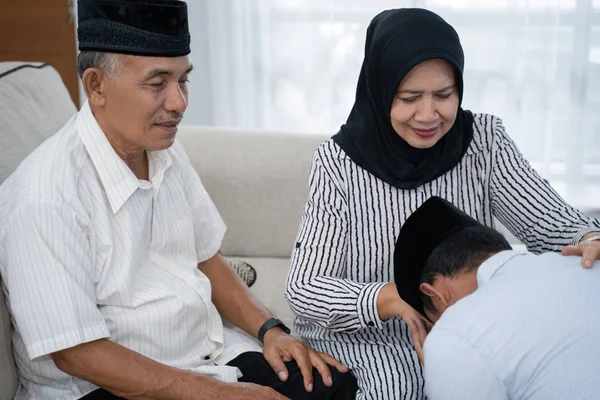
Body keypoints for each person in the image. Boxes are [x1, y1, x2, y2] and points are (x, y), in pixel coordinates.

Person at [0, 1, 358, 399]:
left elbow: (206, 256)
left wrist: (269, 329)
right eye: (158, 84)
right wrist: (220, 395)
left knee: (330, 383)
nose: (179, 103)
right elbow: (77, 353)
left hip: (202, 357)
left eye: (183, 80)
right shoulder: (43, 198)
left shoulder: (162, 148)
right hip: (103, 386)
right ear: (96, 85)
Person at [285, 7, 600, 400]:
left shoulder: (485, 139)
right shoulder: (337, 163)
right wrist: (390, 298)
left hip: (474, 326)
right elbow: (304, 287)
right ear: (381, 92)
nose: (428, 115)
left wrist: (589, 237)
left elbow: (550, 223)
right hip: (373, 337)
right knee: (406, 387)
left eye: (443, 95)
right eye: (410, 98)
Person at [394, 196, 600, 400]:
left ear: (436, 295)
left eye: (436, 319)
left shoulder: (456, 334)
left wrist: (441, 365)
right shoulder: (588, 263)